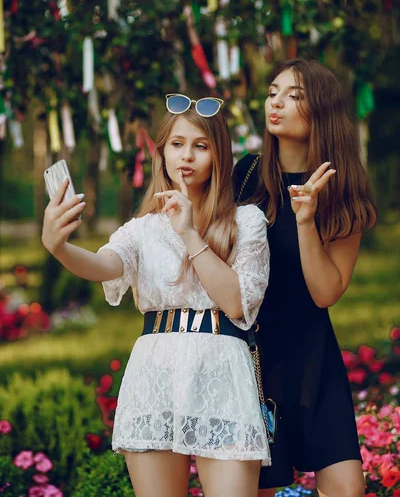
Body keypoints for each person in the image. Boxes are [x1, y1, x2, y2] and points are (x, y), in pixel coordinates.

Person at [42, 95, 272, 497]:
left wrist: (188, 232)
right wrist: (59, 247)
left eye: (200, 146)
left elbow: (236, 303)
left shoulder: (245, 220)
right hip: (156, 372)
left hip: (222, 370)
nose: (187, 156)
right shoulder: (142, 228)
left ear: (219, 156)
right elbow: (103, 265)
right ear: (161, 152)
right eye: (177, 144)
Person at [232, 59, 378, 497]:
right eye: (274, 91)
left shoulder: (344, 187)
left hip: (314, 353)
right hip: (252, 354)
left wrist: (306, 221)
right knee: (261, 489)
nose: (277, 102)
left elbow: (325, 292)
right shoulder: (245, 177)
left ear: (322, 111)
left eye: (294, 95)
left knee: (347, 487)